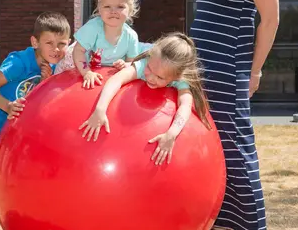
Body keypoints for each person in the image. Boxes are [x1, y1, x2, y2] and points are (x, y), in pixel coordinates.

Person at [190, 0, 279, 230]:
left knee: (236, 146)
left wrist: (254, 70)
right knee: (210, 145)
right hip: (198, 68)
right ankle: (221, 221)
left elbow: (270, 20)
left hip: (230, 67)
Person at [0, 12, 71, 230]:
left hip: (5, 131)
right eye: (49, 43)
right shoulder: (19, 61)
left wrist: (45, 83)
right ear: (35, 42)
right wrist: (7, 106)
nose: (56, 49)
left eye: (62, 44)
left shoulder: (52, 70)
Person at [78, 33, 211, 165]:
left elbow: (185, 105)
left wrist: (172, 134)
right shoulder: (146, 63)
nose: (151, 78)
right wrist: (100, 109)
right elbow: (117, 79)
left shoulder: (179, 77)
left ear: (176, 77)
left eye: (160, 77)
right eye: (150, 69)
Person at [54, 0, 142, 87]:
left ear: (130, 10)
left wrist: (126, 65)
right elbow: (78, 51)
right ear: (99, 9)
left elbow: (132, 62)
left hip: (107, 73)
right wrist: (86, 72)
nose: (113, 11)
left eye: (120, 7)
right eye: (107, 6)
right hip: (77, 63)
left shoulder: (131, 36)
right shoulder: (93, 28)